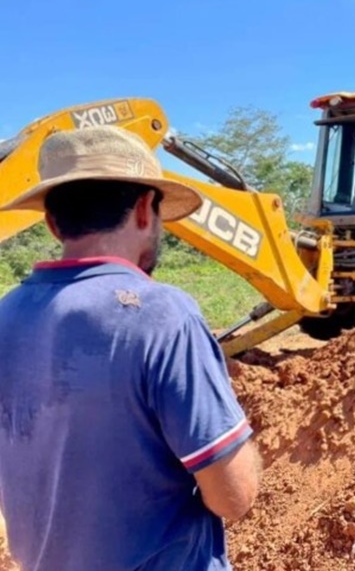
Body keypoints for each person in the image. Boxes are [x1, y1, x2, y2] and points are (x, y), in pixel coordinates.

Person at [0, 126, 262, 570]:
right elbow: (233, 496)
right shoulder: (161, 316)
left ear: (52, 222)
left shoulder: (6, 315)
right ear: (144, 209)